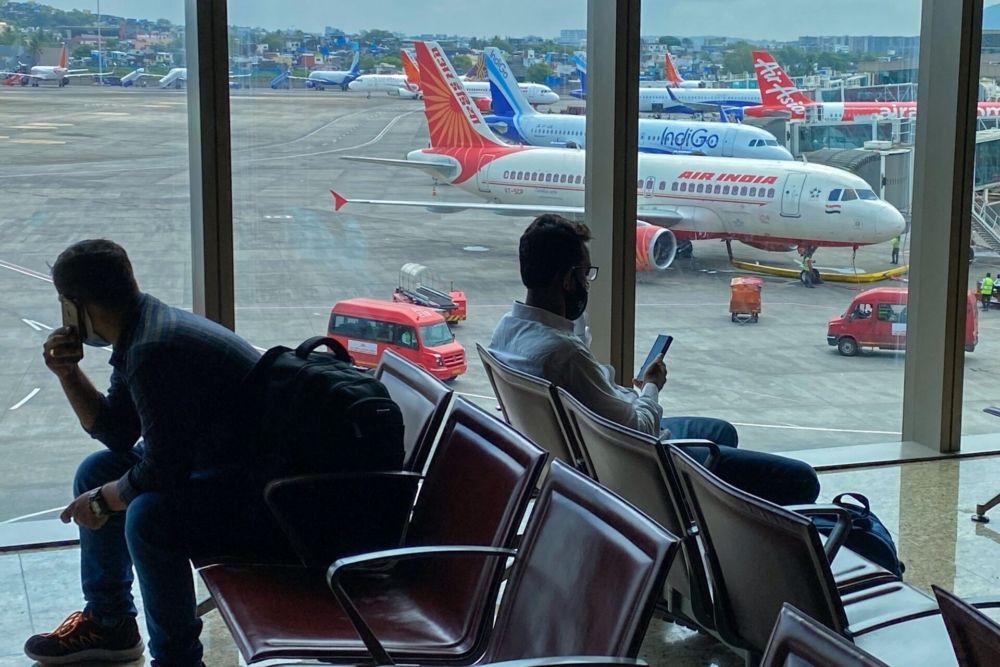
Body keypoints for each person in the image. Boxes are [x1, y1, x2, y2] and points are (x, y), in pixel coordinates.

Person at [26, 240, 293, 666]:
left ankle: (177, 659)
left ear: (75, 306)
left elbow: (162, 471)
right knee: (99, 471)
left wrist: (101, 501)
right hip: (226, 468)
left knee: (149, 516)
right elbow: (117, 433)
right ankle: (111, 624)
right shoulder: (144, 330)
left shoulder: (154, 350)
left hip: (265, 498)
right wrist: (68, 372)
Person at [490, 214, 820, 506]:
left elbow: (578, 363)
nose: (587, 284)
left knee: (722, 432)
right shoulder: (564, 356)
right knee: (802, 480)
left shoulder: (508, 331)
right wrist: (651, 388)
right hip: (642, 461)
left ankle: (713, 508)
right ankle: (715, 512)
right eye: (584, 275)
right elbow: (640, 431)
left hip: (597, 446)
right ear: (566, 280)